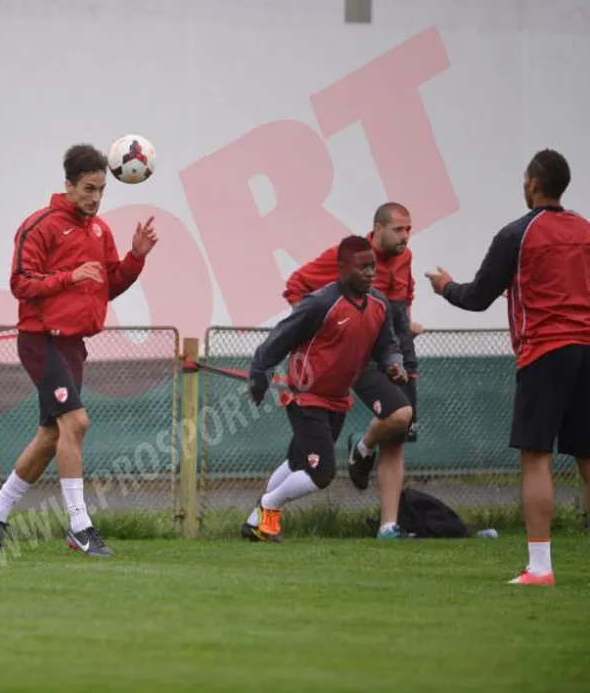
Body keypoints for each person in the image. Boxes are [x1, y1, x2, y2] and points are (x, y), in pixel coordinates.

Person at [0, 144, 159, 557]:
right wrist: (68, 277)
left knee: (51, 436)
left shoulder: (100, 231)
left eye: (102, 190)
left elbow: (108, 285)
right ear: (69, 185)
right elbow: (20, 283)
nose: (95, 198)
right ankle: (80, 526)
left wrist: (135, 258)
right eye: (89, 188)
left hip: (73, 345)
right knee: (76, 423)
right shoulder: (39, 226)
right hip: (41, 340)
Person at [426, 149, 590, 585]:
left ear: (533, 183)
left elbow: (476, 297)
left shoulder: (517, 234)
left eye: (524, 178)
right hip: (587, 348)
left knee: (536, 458)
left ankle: (540, 567)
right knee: (588, 458)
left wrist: (445, 287)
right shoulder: (584, 229)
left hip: (545, 352)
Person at [242, 235, 407, 542]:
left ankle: (253, 523)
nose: (370, 273)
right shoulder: (320, 303)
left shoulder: (379, 304)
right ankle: (268, 506)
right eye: (362, 267)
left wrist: (393, 363)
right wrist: (258, 377)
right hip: (306, 397)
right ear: (342, 268)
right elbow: (279, 338)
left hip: (338, 399)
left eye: (373, 266)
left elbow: (388, 345)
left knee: (297, 463)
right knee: (322, 473)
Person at [283, 203, 421, 538]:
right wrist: (317, 332)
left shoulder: (405, 258)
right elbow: (296, 285)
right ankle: (361, 447)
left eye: (408, 230)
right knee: (400, 414)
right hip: (363, 359)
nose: (405, 236)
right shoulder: (347, 257)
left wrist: (407, 326)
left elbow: (404, 298)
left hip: (400, 356)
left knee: (396, 440)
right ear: (377, 228)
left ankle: (388, 526)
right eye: (398, 230)